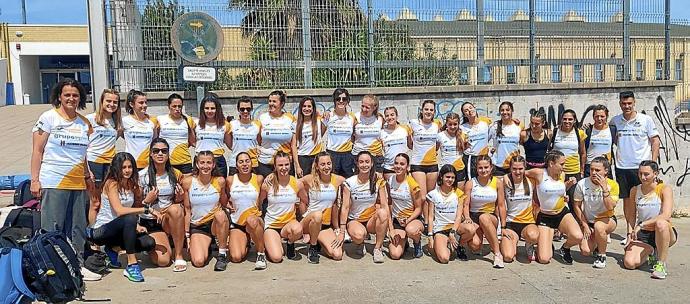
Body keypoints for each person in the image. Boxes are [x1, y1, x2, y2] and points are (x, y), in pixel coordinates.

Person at [31, 78, 102, 281]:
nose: (71, 98)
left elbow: (83, 154)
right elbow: (37, 150)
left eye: (75, 95)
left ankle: (76, 266)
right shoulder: (48, 118)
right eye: (67, 95)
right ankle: (51, 269)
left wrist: (88, 175)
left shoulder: (84, 123)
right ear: (59, 97)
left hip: (78, 183)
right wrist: (34, 180)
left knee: (77, 227)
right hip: (54, 181)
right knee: (53, 227)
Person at [87, 152, 155, 282]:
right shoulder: (111, 183)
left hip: (121, 229)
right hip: (103, 229)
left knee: (149, 242)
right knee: (129, 218)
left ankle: (112, 249)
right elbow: (119, 211)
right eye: (124, 167)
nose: (127, 170)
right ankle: (132, 264)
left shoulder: (133, 185)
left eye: (130, 167)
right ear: (116, 168)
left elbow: (134, 208)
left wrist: (139, 221)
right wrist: (146, 209)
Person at [611, 91, 660, 245]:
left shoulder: (646, 120)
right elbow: (608, 140)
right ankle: (629, 232)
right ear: (620, 103)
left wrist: (652, 164)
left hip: (642, 169)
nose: (627, 106)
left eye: (629, 103)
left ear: (634, 103)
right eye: (624, 103)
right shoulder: (615, 121)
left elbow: (655, 141)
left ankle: (648, 232)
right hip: (622, 167)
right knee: (627, 201)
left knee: (646, 201)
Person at [524, 150, 582, 264]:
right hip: (545, 216)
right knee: (544, 259)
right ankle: (544, 242)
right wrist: (506, 178)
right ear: (551, 163)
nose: (564, 167)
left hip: (561, 213)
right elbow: (520, 172)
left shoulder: (562, 175)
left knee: (577, 236)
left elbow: (559, 190)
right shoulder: (539, 173)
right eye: (561, 164)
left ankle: (565, 248)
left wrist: (568, 185)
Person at [137, 139, 187, 272]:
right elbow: (135, 204)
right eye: (156, 151)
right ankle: (150, 245)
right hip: (150, 221)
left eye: (164, 151)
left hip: (167, 219)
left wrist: (180, 198)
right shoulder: (142, 176)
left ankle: (179, 254)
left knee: (176, 209)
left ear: (168, 154)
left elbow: (177, 203)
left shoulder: (176, 174)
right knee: (163, 261)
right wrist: (147, 201)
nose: (160, 154)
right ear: (151, 154)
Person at [623, 161, 677, 279]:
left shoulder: (664, 189)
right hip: (644, 234)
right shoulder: (635, 190)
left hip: (663, 231)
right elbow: (631, 216)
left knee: (661, 223)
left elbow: (666, 215)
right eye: (640, 173)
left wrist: (642, 224)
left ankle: (661, 264)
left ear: (655, 174)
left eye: (646, 174)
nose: (643, 177)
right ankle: (652, 251)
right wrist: (629, 233)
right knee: (629, 263)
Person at [337, 151, 390, 263]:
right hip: (355, 220)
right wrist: (342, 231)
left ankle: (377, 248)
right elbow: (345, 207)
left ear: (371, 164)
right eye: (361, 162)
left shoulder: (378, 180)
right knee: (358, 235)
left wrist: (391, 229)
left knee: (383, 213)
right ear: (357, 164)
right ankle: (360, 243)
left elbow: (385, 205)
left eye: (367, 162)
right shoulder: (349, 182)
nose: (364, 165)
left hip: (371, 221)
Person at [182, 151, 230, 271]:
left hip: (215, 223)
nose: (205, 166)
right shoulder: (188, 182)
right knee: (198, 261)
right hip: (198, 225)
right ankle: (207, 246)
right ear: (197, 164)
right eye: (202, 162)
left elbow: (224, 202)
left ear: (213, 165)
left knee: (220, 214)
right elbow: (187, 210)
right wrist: (187, 235)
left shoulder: (220, 181)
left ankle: (222, 255)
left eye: (209, 162)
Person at [458, 156, 505, 268]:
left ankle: (497, 254)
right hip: (474, 217)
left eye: (486, 167)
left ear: (491, 167)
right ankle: (462, 243)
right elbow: (466, 204)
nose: (483, 170)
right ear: (476, 168)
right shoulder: (470, 183)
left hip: (490, 217)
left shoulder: (497, 182)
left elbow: (501, 205)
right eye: (480, 168)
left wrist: (503, 226)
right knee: (475, 246)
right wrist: (468, 218)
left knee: (484, 218)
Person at [572, 156, 619, 269]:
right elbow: (576, 206)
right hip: (589, 221)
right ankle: (598, 241)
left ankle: (601, 255)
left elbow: (610, 207)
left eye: (597, 170)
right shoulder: (582, 183)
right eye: (592, 169)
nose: (593, 172)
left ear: (606, 171)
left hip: (607, 219)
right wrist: (584, 224)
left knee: (599, 226)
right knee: (585, 251)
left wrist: (604, 188)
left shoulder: (612, 184)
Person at [299, 151, 346, 263]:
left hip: (324, 225)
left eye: (328, 163)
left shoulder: (338, 179)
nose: (326, 167)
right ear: (317, 166)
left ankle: (319, 241)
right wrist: (272, 177)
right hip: (310, 221)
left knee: (337, 255)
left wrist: (376, 175)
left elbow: (355, 183)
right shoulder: (309, 179)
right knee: (317, 215)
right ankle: (313, 247)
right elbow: (290, 183)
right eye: (322, 164)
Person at [259, 152, 305, 263]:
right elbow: (259, 202)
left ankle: (290, 243)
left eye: (286, 164)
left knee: (298, 229)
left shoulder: (297, 183)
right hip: (272, 225)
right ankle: (272, 241)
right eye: (280, 165)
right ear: (275, 166)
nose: (284, 168)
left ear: (290, 165)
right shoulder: (267, 184)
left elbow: (306, 200)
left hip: (289, 224)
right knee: (276, 258)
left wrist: (303, 215)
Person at [86, 89, 122, 225]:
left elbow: (116, 138)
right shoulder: (90, 119)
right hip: (94, 163)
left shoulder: (117, 122)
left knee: (107, 202)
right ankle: (93, 234)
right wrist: (87, 170)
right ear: (102, 101)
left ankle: (105, 233)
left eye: (115, 102)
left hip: (110, 165)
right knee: (95, 203)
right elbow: (83, 145)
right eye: (108, 101)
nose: (112, 104)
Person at [226, 152, 267, 270]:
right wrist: (227, 204)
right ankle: (247, 242)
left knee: (251, 220)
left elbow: (261, 200)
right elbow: (226, 198)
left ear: (251, 163)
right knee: (236, 257)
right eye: (241, 162)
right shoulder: (230, 180)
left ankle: (260, 253)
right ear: (236, 165)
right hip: (238, 224)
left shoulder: (259, 179)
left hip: (254, 221)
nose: (244, 164)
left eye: (247, 161)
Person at [499, 155, 540, 263]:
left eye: (520, 169)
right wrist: (502, 227)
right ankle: (511, 243)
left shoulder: (532, 180)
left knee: (533, 235)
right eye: (514, 169)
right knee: (508, 257)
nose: (517, 172)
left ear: (525, 168)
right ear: (510, 169)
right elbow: (501, 206)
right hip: (511, 223)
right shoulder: (504, 181)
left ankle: (529, 244)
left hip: (528, 223)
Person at [409, 100, 442, 224]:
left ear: (434, 112)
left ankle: (429, 220)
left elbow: (438, 143)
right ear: (421, 110)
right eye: (426, 109)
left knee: (430, 196)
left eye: (431, 110)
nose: (428, 112)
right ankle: (421, 217)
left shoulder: (437, 124)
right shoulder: (413, 123)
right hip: (418, 164)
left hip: (432, 164)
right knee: (422, 196)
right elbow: (409, 143)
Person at [387, 153, 424, 259]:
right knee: (395, 254)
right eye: (396, 163)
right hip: (397, 221)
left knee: (411, 230)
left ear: (407, 167)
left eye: (402, 164)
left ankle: (417, 242)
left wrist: (408, 220)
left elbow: (418, 208)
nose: (398, 166)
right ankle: (404, 242)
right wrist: (391, 228)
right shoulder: (390, 180)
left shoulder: (412, 184)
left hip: (412, 220)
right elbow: (389, 203)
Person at [426, 164, 466, 264]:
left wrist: (453, 232)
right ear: (441, 177)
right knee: (444, 259)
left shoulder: (459, 193)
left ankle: (459, 245)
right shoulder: (433, 194)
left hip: (455, 228)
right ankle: (447, 245)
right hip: (440, 229)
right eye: (447, 177)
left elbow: (458, 217)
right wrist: (430, 236)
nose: (450, 180)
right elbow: (431, 217)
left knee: (470, 229)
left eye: (453, 177)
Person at [549, 109, 586, 212]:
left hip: (574, 171)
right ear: (561, 120)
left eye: (570, 119)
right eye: (564, 119)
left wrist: (582, 170)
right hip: (558, 173)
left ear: (574, 120)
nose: (567, 121)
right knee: (557, 200)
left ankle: (578, 225)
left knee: (575, 202)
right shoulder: (554, 132)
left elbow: (583, 153)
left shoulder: (580, 133)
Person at [256, 91, 296, 177]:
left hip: (285, 163)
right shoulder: (262, 118)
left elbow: (294, 143)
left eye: (274, 101)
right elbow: (258, 139)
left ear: (282, 104)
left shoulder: (290, 118)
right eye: (270, 101)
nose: (271, 104)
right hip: (265, 163)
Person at [154, 93, 196, 174]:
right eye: (174, 106)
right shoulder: (160, 119)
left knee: (187, 186)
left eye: (179, 106)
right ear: (169, 106)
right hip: (166, 162)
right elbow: (156, 139)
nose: (177, 109)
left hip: (185, 162)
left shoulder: (188, 120)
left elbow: (193, 141)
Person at [195, 94, 231, 177]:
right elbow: (193, 142)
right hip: (200, 161)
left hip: (218, 162)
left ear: (217, 109)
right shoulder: (195, 123)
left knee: (219, 188)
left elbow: (230, 145)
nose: (209, 111)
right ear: (202, 109)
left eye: (213, 108)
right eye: (207, 108)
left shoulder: (225, 125)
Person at [324, 88, 357, 178]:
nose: (341, 101)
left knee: (348, 183)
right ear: (334, 101)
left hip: (347, 155)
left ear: (348, 101)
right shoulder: (328, 116)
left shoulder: (352, 117)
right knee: (333, 183)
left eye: (344, 99)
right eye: (338, 99)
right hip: (332, 154)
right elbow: (320, 134)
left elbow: (355, 135)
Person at [122, 89, 157, 170]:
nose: (144, 105)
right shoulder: (124, 121)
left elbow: (154, 143)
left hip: (148, 165)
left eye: (146, 102)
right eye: (141, 103)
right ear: (131, 104)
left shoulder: (152, 121)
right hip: (131, 165)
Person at [292, 96, 326, 178]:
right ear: (300, 108)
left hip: (316, 157)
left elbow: (328, 118)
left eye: (309, 106)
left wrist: (326, 113)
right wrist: (297, 166)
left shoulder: (319, 121)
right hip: (303, 159)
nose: (306, 109)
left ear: (313, 108)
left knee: (317, 184)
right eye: (304, 106)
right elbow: (293, 146)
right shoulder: (295, 124)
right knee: (304, 186)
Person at [352, 94, 385, 172]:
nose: (364, 109)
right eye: (362, 106)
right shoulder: (355, 117)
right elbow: (351, 137)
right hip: (358, 156)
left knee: (376, 182)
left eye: (367, 107)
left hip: (376, 156)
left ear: (374, 107)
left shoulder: (380, 119)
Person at [460, 102, 493, 179]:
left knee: (486, 181)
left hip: (484, 157)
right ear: (464, 115)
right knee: (472, 182)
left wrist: (513, 120)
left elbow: (500, 124)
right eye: (466, 110)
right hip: (471, 159)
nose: (469, 111)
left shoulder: (486, 122)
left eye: (471, 108)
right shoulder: (462, 128)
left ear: (474, 108)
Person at [228, 97, 260, 176]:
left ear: (251, 109)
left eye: (248, 109)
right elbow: (229, 144)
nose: (245, 111)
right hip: (235, 164)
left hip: (252, 164)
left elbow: (260, 142)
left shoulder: (257, 125)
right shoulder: (231, 125)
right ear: (238, 110)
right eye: (242, 109)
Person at [489, 102, 522, 176]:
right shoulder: (494, 126)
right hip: (497, 167)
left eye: (507, 110)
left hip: (514, 166)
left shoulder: (519, 127)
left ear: (512, 111)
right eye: (502, 110)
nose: (505, 112)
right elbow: (484, 141)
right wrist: (490, 154)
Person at [379, 106, 412, 179]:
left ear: (397, 116)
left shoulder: (405, 129)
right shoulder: (382, 133)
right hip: (389, 168)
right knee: (390, 190)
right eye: (387, 116)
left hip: (403, 168)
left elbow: (411, 146)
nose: (390, 117)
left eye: (392, 115)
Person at [583, 105, 616, 177]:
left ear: (607, 116)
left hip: (605, 167)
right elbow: (583, 151)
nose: (599, 119)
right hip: (591, 167)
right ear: (593, 117)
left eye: (602, 116)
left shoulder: (612, 130)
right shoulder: (588, 129)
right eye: (596, 116)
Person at [436, 113, 467, 187]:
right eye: (450, 124)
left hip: (459, 170)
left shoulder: (463, 135)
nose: (452, 127)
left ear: (458, 124)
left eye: (455, 124)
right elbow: (435, 150)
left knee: (458, 194)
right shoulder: (440, 136)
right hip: (445, 170)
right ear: (446, 124)